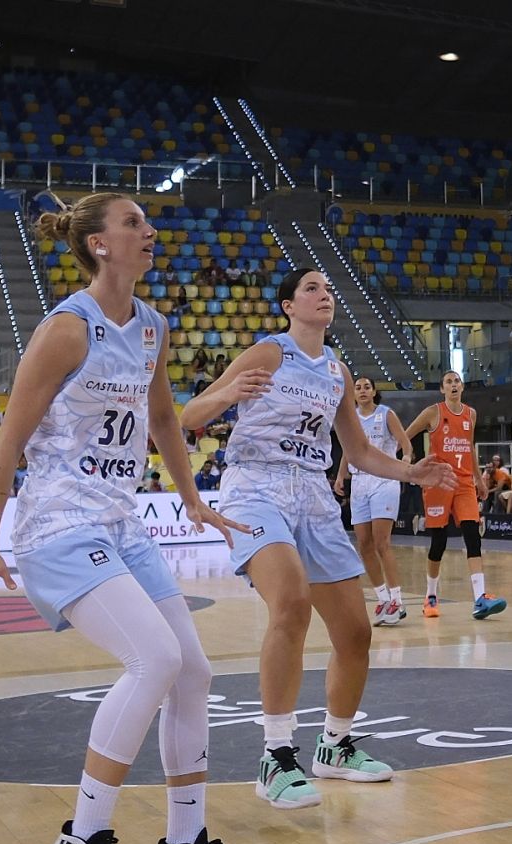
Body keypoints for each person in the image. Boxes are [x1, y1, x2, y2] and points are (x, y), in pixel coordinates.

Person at [0, 194, 268, 844]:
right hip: (58, 525)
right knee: (152, 658)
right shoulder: (67, 328)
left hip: (122, 523)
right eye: (132, 223)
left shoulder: (151, 326)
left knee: (193, 672)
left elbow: (161, 417)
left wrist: (190, 497)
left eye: (146, 222)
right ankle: (81, 841)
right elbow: (7, 447)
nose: (149, 231)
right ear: (98, 244)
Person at [183, 269, 454, 812]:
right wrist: (231, 392)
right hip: (256, 486)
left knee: (355, 632)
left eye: (327, 289)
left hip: (314, 493)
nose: (323, 295)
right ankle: (276, 755)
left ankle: (334, 747)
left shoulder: (336, 370)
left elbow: (356, 453)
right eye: (310, 288)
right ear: (287, 305)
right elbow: (189, 415)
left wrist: (411, 474)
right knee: (291, 600)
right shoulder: (267, 353)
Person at [405, 371, 504, 620]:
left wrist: (479, 480)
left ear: (462, 387)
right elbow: (407, 434)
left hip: (463, 483)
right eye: (448, 382)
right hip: (439, 481)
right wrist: (406, 461)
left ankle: (480, 598)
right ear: (442, 389)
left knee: (472, 535)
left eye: (456, 381)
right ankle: (430, 596)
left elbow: (469, 447)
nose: (453, 385)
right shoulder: (433, 412)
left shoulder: (470, 413)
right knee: (438, 541)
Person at [333, 376, 411, 626]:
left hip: (383, 480)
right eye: (358, 387)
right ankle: (382, 597)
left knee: (381, 542)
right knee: (364, 544)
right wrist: (341, 475)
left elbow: (405, 444)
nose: (363, 390)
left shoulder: (386, 414)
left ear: (374, 391)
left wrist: (406, 461)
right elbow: (349, 450)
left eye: (367, 386)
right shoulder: (351, 418)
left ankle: (397, 600)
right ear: (353, 393)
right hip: (359, 483)